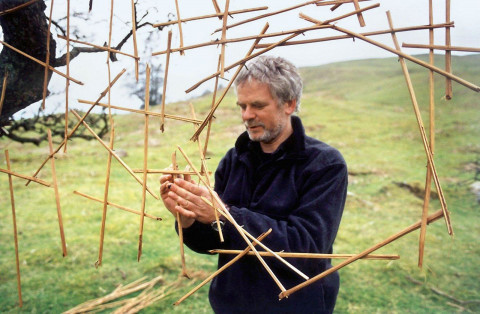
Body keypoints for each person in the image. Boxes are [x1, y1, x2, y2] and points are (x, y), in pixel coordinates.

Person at [160, 55, 348, 313]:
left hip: (295, 306)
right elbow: (215, 242)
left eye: (258, 105)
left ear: (289, 104)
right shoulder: (234, 160)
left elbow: (308, 247)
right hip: (232, 305)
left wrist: (226, 216)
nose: (247, 115)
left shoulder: (324, 164)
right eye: (242, 106)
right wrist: (188, 217)